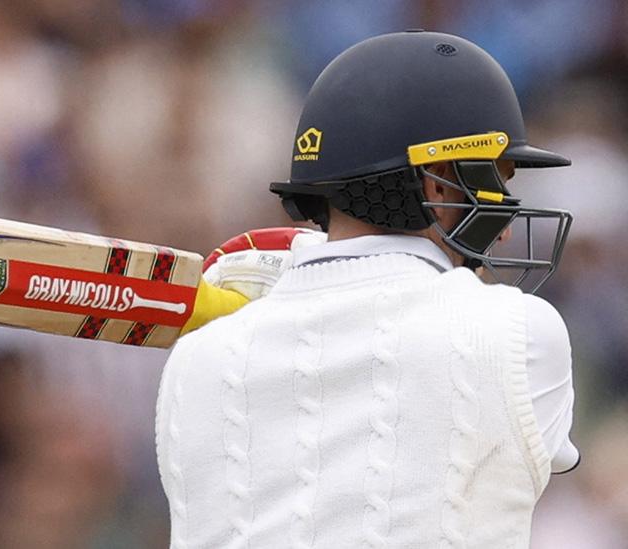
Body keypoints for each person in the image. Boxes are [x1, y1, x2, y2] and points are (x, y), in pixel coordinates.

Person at [157, 30, 577, 548]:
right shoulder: (520, 332)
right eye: (497, 180)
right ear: (439, 180)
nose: (507, 224)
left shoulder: (196, 358)